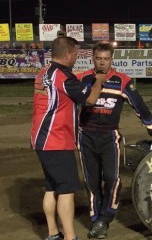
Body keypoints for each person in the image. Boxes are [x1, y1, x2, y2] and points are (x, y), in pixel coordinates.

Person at [77, 42, 152, 239]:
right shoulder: (82, 78)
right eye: (98, 59)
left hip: (109, 137)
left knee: (112, 179)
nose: (102, 63)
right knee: (91, 182)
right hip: (85, 136)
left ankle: (105, 217)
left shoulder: (122, 81)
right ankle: (97, 221)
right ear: (92, 59)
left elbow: (140, 107)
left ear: (112, 60)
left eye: (106, 59)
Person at [31, 36, 106, 240]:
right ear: (66, 55)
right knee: (66, 190)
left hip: (41, 138)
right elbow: (90, 98)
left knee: (51, 187)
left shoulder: (44, 73)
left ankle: (53, 233)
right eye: (75, 54)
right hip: (57, 139)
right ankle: (70, 237)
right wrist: (99, 80)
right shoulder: (63, 76)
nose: (76, 57)